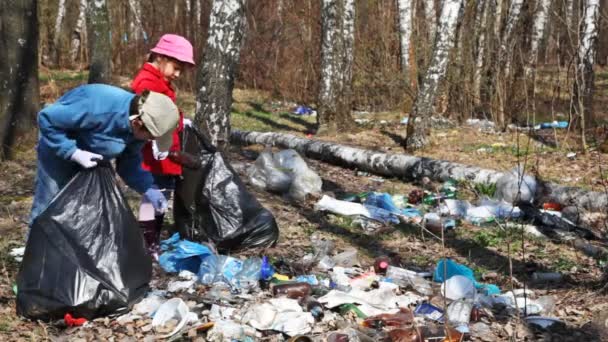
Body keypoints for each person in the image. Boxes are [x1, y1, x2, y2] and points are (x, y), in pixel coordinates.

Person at [31, 84, 179, 230]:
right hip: (58, 151)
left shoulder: (138, 130)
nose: (151, 140)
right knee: (49, 205)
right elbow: (47, 119)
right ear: (136, 123)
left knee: (85, 213)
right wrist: (72, 152)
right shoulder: (97, 108)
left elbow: (129, 162)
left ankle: (71, 251)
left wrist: (148, 187)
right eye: (152, 136)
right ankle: (37, 251)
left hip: (93, 159)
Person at [131, 34, 195, 256]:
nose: (178, 74)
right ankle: (147, 241)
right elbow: (145, 114)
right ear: (160, 57)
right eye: (176, 67)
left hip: (167, 151)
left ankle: (153, 239)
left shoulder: (161, 82)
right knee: (153, 194)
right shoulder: (147, 82)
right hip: (153, 152)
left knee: (162, 195)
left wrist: (179, 119)